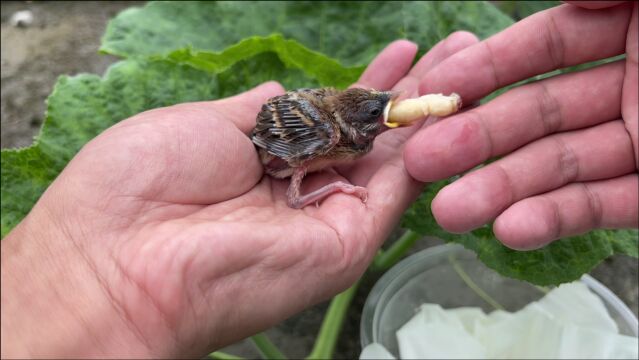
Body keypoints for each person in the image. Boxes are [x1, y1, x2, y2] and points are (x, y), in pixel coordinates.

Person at [1, 1, 636, 358]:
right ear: (354, 126)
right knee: (322, 170)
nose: (386, 126)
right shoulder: (325, 134)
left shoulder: (354, 125)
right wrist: (332, 183)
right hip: (284, 155)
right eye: (377, 122)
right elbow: (286, 172)